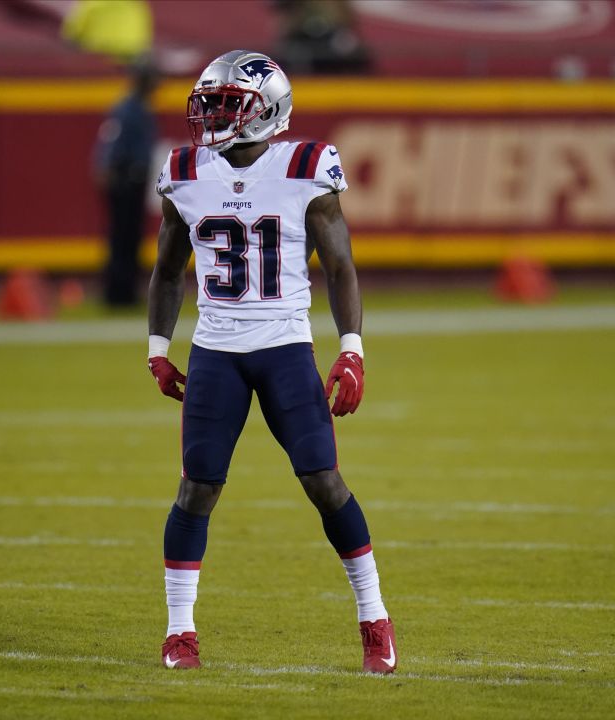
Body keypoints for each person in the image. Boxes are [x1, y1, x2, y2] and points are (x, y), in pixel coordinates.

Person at [145, 50, 396, 674]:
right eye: (208, 104)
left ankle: (375, 618)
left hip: (284, 346)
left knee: (323, 481)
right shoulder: (183, 170)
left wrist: (352, 350)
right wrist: (158, 349)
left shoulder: (306, 166)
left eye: (228, 104)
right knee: (197, 488)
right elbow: (167, 269)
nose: (212, 116)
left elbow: (340, 265)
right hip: (216, 350)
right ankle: (181, 632)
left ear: (269, 110)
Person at [93, 57, 158, 307]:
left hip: (135, 179)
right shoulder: (127, 109)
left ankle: (126, 290)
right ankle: (117, 293)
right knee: (122, 237)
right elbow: (111, 141)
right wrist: (108, 169)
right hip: (125, 180)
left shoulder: (140, 108)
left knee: (131, 237)